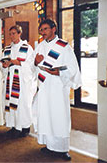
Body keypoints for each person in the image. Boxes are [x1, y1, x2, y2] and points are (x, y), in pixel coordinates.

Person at [33, 18, 82, 161]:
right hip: (44, 87)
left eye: (45, 29)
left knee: (60, 117)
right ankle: (49, 145)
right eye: (41, 30)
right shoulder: (40, 46)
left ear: (54, 29)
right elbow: (32, 67)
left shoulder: (64, 46)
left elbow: (73, 67)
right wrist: (36, 62)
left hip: (58, 87)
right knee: (46, 116)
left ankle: (62, 149)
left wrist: (59, 72)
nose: (42, 32)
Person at [0, 25, 37, 138]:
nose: (12, 36)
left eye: (14, 33)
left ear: (20, 34)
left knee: (23, 104)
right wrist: (4, 65)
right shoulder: (7, 49)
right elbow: (1, 66)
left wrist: (18, 63)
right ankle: (14, 127)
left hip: (22, 82)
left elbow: (32, 65)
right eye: (10, 34)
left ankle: (24, 128)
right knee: (11, 103)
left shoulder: (27, 48)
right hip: (10, 81)